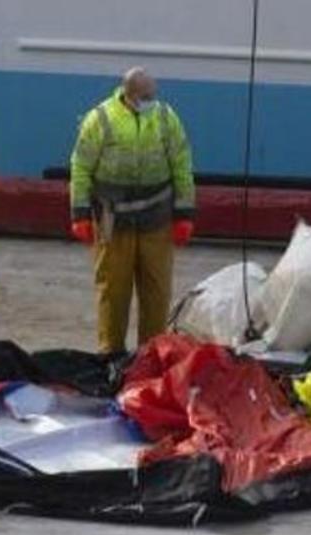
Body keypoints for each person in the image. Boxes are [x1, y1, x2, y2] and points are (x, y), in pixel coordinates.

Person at [69, 66, 195, 356]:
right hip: (113, 221)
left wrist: (184, 213)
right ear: (131, 95)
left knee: (157, 291)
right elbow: (81, 167)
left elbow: (182, 164)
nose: (153, 100)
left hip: (156, 219)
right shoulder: (100, 119)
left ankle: (151, 355)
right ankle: (110, 355)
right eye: (147, 96)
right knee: (113, 291)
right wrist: (79, 213)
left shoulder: (165, 117)